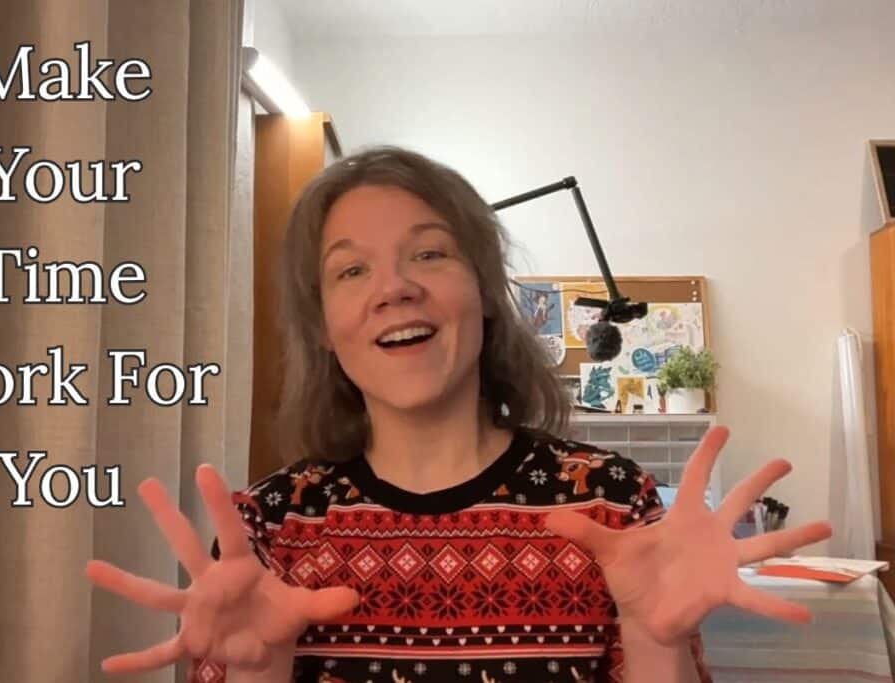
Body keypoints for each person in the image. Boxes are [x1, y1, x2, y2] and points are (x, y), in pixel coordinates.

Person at [86, 146, 832, 682]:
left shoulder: (610, 504)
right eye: (352, 269)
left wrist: (653, 639)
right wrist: (261, 669)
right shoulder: (268, 529)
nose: (395, 287)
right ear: (322, 325)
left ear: (483, 292)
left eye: (431, 255)